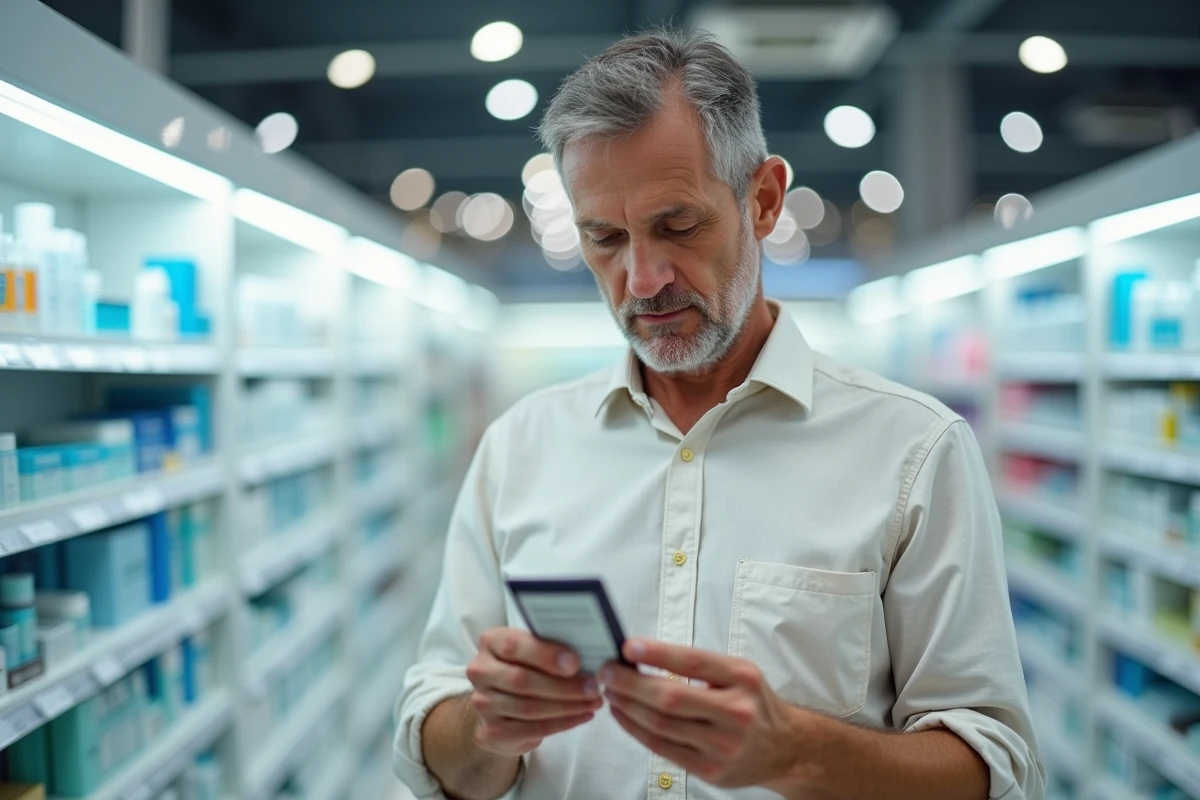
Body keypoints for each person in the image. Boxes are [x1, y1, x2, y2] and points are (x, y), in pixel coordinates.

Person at [394, 27, 1043, 800]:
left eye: (678, 226)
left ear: (763, 199)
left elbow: (996, 766)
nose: (642, 278)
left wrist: (801, 752)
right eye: (603, 238)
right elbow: (432, 737)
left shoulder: (914, 450)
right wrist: (487, 726)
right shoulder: (521, 447)